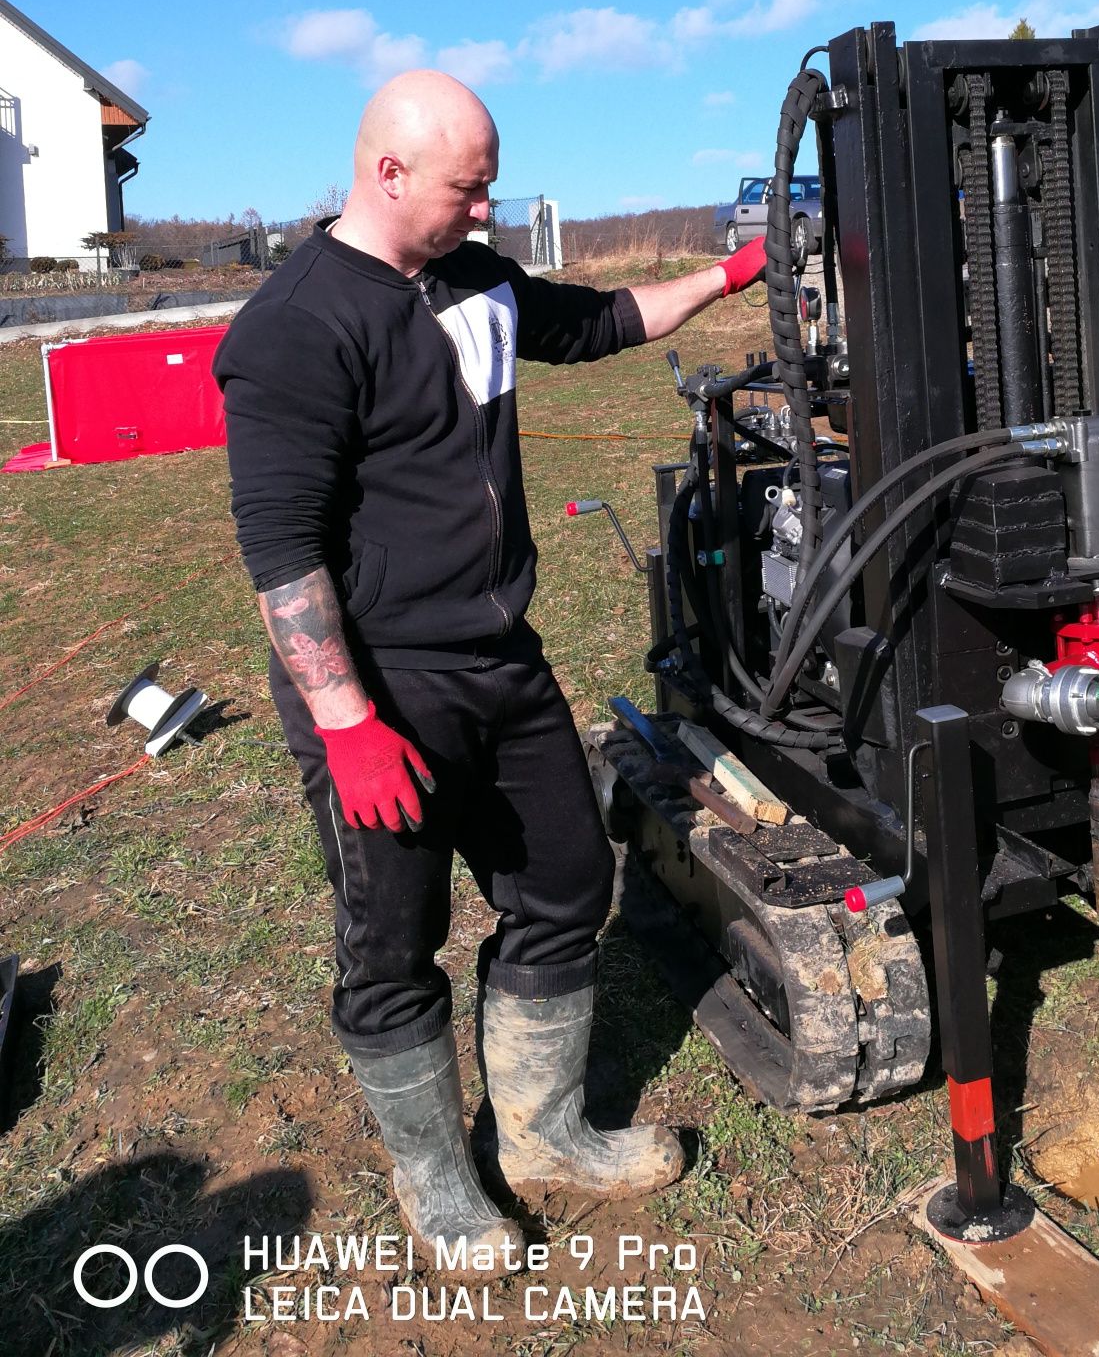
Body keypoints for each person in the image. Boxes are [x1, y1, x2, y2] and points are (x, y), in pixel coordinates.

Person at [214, 69, 767, 1260]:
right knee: (391, 938)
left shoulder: (477, 280)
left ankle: (545, 1133)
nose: (487, 210)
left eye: (492, 187)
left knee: (568, 879)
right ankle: (435, 1184)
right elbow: (281, 550)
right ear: (390, 171)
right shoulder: (295, 327)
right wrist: (349, 723)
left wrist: (731, 274)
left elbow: (602, 318)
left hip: (498, 657)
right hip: (379, 683)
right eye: (470, 189)